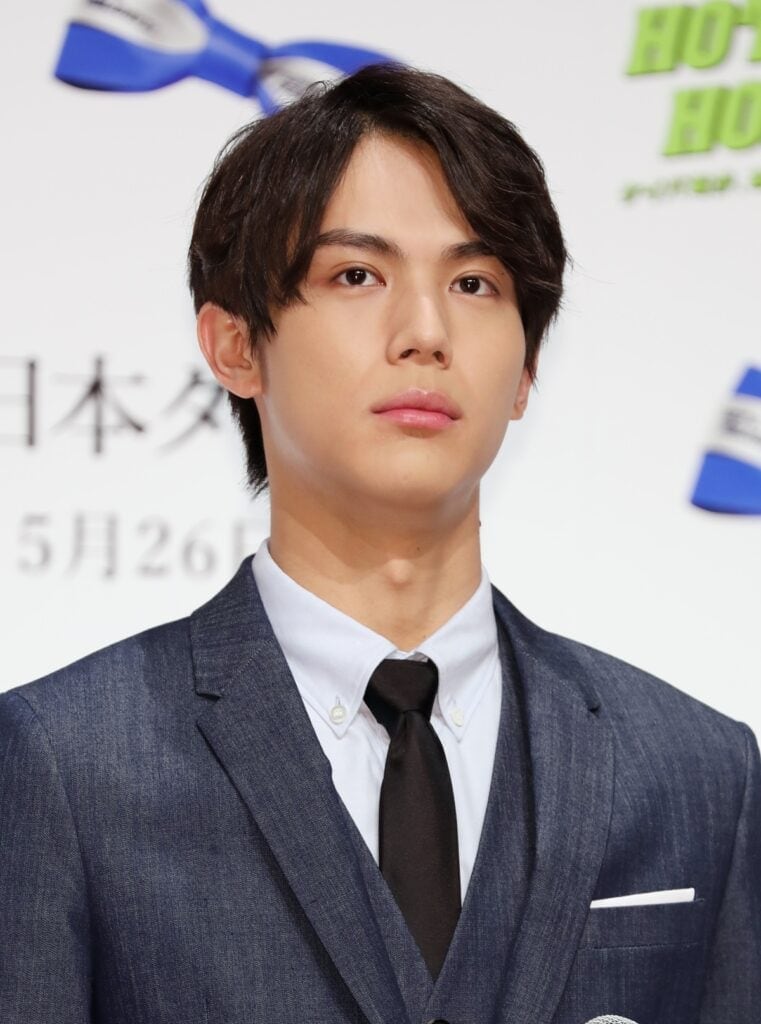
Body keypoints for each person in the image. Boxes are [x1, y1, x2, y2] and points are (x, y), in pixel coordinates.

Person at [1, 64, 758, 1024]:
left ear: (526, 369)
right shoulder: (68, 762)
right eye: (356, 275)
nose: (425, 331)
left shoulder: (697, 769)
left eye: (474, 282)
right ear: (235, 345)